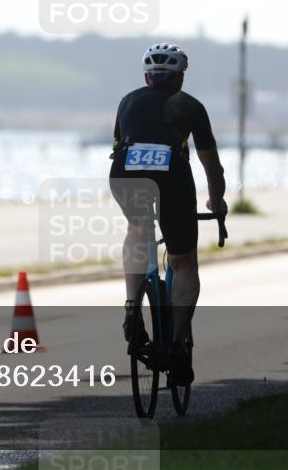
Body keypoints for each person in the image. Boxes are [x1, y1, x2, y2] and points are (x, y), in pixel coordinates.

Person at [110, 43, 226, 386]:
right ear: (181, 78)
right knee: (183, 260)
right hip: (172, 174)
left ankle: (132, 305)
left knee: (137, 229)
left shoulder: (128, 101)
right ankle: (176, 345)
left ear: (147, 77)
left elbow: (118, 144)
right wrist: (216, 203)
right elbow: (212, 166)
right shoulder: (192, 106)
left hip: (125, 170)